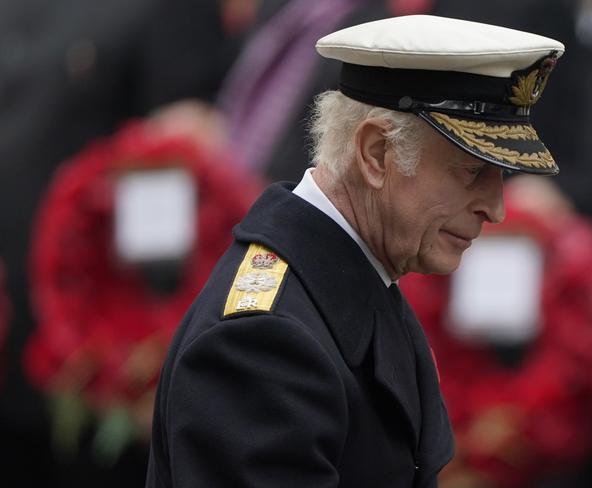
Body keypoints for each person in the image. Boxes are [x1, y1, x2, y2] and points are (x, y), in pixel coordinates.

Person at [145, 15, 564, 487]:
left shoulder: (349, 283)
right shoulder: (262, 342)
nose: (496, 209)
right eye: (471, 172)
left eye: (499, 176)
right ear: (375, 153)